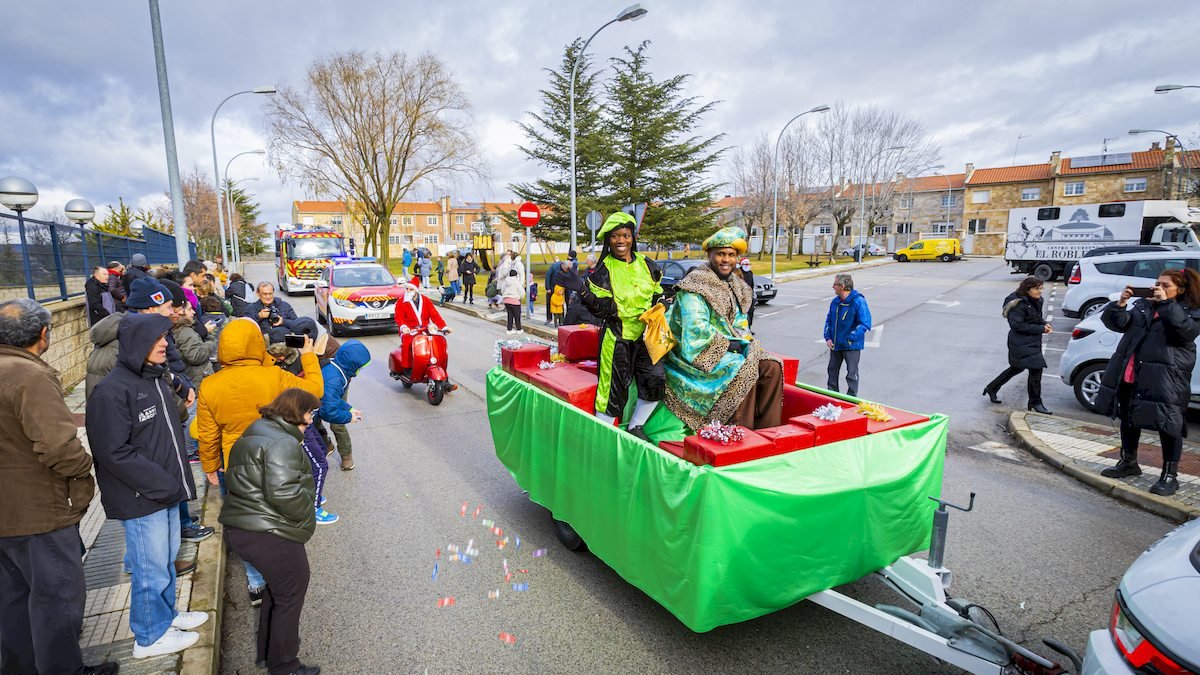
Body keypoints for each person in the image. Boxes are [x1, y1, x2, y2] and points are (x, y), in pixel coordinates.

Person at [0, 299, 118, 675]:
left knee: (13, 599)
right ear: (43, 334)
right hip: (37, 512)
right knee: (57, 598)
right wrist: (84, 471)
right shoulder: (29, 376)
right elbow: (57, 446)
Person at [86, 312, 209, 659]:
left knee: (165, 561)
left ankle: (166, 617)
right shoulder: (111, 391)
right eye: (157, 340)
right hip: (144, 497)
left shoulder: (154, 379)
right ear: (137, 344)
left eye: (165, 338)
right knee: (149, 569)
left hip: (165, 492)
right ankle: (148, 636)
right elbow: (113, 452)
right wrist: (161, 483)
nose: (165, 344)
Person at [196, 318, 323, 607]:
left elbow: (207, 432)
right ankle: (281, 576)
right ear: (257, 343)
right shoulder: (274, 377)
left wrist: (209, 465)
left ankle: (256, 583)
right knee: (278, 521)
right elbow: (314, 391)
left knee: (247, 526)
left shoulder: (210, 385)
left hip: (235, 467)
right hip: (277, 462)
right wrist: (309, 357)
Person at [220, 388, 322, 675]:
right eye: (310, 412)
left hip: (244, 526)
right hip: (267, 531)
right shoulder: (282, 443)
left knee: (277, 592)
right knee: (290, 594)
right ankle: (285, 667)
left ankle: (270, 654)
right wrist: (307, 515)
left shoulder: (259, 429)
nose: (312, 419)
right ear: (297, 413)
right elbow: (284, 493)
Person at [662, 227, 783, 430]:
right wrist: (733, 345)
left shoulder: (737, 286)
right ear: (710, 255)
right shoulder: (694, 286)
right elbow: (695, 332)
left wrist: (746, 344)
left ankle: (768, 432)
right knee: (743, 368)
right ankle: (738, 433)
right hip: (693, 356)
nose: (726, 260)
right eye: (720, 254)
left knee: (772, 366)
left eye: (731, 255)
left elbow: (740, 323)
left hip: (730, 347)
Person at [1094, 268, 1200, 496]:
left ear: (1180, 289)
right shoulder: (1144, 305)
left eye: (1165, 285)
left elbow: (1186, 332)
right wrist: (1120, 304)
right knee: (1129, 418)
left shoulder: (1190, 310)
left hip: (1165, 377)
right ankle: (1128, 462)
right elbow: (1120, 324)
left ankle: (1169, 476)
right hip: (1132, 371)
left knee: (1169, 424)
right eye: (1157, 284)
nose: (1158, 288)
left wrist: (1165, 304)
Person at [558, 212, 663, 437]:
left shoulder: (648, 265)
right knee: (612, 392)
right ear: (608, 239)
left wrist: (661, 303)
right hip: (617, 338)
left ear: (633, 237)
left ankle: (636, 426)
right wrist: (583, 290)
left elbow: (658, 293)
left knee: (655, 381)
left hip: (647, 337)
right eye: (615, 236)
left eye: (625, 235)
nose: (621, 241)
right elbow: (602, 310)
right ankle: (602, 437)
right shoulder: (603, 270)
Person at [982, 276, 1052, 414]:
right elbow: (1017, 325)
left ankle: (992, 388)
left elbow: (1035, 318)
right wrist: (1041, 329)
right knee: (1036, 369)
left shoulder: (1037, 300)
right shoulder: (1017, 304)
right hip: (1020, 342)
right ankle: (1035, 402)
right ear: (1027, 289)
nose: (1040, 291)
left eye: (1041, 288)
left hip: (1032, 341)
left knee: (1016, 368)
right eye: (1037, 289)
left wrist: (1044, 324)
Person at [319, 340, 371, 476]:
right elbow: (328, 410)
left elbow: (333, 399)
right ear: (352, 364)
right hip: (313, 406)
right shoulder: (335, 379)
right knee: (320, 423)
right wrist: (348, 417)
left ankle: (346, 456)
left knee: (337, 424)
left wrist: (348, 408)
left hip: (322, 398)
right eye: (359, 367)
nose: (360, 371)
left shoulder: (340, 369)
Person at [823, 273, 872, 397]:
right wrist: (828, 337)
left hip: (851, 346)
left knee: (851, 373)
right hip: (835, 344)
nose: (833, 287)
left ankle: (851, 398)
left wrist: (850, 338)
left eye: (835, 284)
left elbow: (865, 323)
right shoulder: (835, 302)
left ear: (843, 286)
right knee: (832, 370)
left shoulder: (858, 301)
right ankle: (832, 395)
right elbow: (829, 320)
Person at [245, 282, 319, 343]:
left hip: (285, 344)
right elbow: (245, 328)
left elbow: (297, 325)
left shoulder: (284, 306)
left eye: (270, 293)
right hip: (262, 344)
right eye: (265, 294)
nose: (268, 297)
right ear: (258, 294)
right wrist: (258, 317)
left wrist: (283, 322)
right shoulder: (251, 308)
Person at [500, 269, 524, 334]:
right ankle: (519, 329)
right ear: (516, 275)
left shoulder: (506, 281)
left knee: (509, 315)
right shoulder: (516, 282)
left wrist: (504, 294)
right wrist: (521, 297)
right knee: (517, 316)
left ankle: (509, 329)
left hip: (507, 300)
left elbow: (502, 289)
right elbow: (521, 291)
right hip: (515, 300)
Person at [736, 258, 756, 327]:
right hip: (741, 296)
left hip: (749, 296)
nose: (747, 266)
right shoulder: (738, 272)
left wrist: (752, 294)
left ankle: (749, 327)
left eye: (748, 264)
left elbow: (752, 284)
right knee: (743, 313)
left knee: (751, 312)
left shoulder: (750, 273)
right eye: (745, 264)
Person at [544, 258, 560, 325]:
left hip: (559, 290)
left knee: (559, 304)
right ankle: (549, 318)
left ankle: (559, 319)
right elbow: (547, 276)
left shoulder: (565, 269)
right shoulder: (554, 267)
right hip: (552, 288)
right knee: (549, 303)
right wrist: (548, 288)